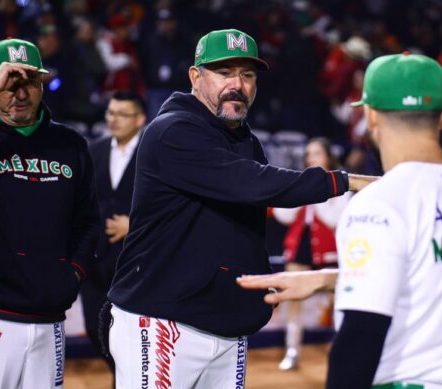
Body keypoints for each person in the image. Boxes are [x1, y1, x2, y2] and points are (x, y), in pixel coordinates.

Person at [106, 28, 374, 389]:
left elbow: (244, 223)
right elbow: (251, 183)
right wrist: (345, 181)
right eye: (224, 72)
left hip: (226, 326)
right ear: (195, 77)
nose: (238, 84)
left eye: (247, 75)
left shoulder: (245, 141)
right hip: (163, 320)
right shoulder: (172, 131)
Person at [240, 53, 442, 389]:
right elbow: (430, 276)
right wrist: (326, 279)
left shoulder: (380, 201)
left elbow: (360, 338)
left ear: (371, 116)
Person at [0, 38, 99, 388]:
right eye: (9, 83)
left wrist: (73, 274)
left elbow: (88, 222)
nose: (19, 93)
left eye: (29, 82)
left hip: (49, 319)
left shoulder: (70, 144)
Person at [81, 91, 146, 375]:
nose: (114, 119)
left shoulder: (153, 153)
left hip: (136, 261)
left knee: (131, 334)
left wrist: (135, 224)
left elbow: (169, 202)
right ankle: (123, 377)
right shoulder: (93, 150)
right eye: (110, 113)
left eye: (122, 114)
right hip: (95, 258)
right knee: (94, 328)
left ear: (140, 119)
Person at [273, 137, 352, 370]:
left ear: (327, 156)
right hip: (301, 245)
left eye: (317, 153)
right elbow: (283, 216)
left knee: (337, 300)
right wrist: (299, 191)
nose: (311, 158)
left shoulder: (341, 182)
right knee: (293, 297)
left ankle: (341, 350)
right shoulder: (300, 180)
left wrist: (317, 192)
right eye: (309, 154)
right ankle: (293, 350)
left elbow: (335, 220)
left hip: (328, 250)